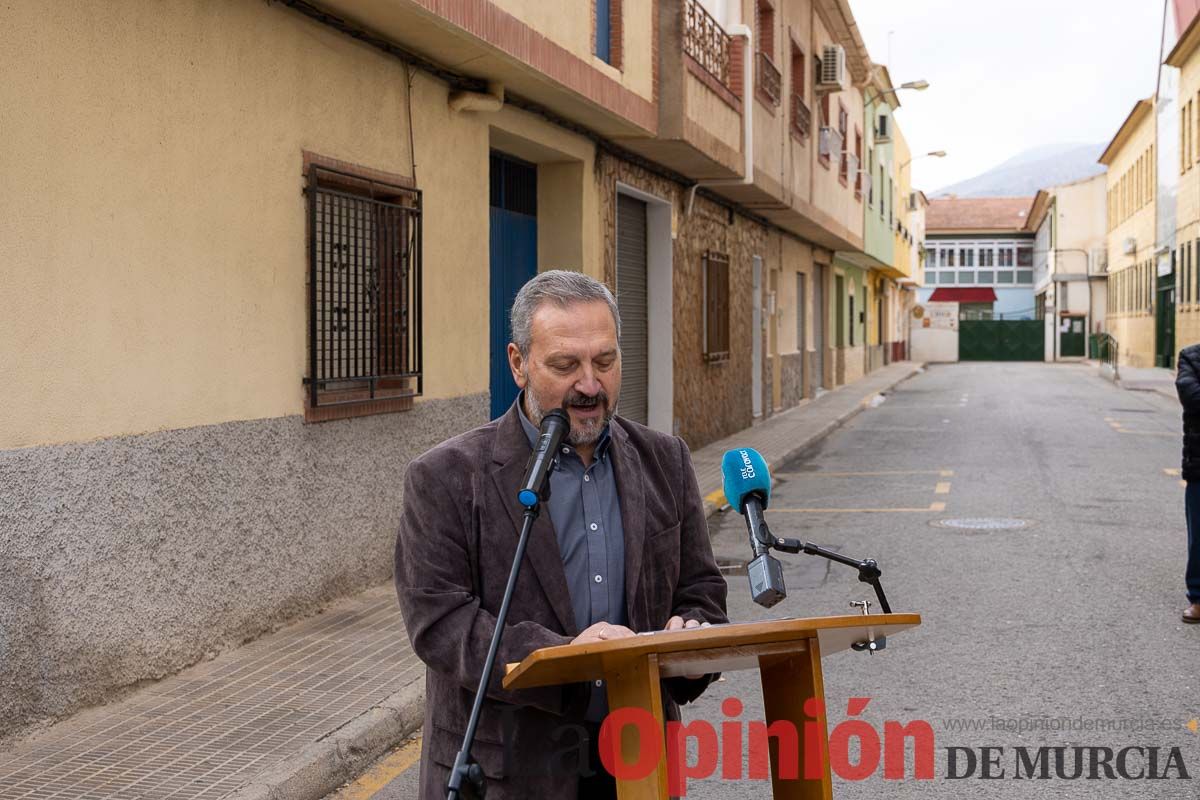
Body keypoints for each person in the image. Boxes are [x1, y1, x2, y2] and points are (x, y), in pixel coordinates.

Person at [394, 270, 728, 798]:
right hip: (507, 774)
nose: (590, 385)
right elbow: (440, 623)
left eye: (605, 361)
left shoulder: (667, 460)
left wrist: (692, 637)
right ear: (518, 363)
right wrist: (567, 653)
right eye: (565, 365)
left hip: (637, 764)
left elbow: (702, 592)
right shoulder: (446, 477)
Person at [1176, 344, 1200, 623]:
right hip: (1199, 463)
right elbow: (1192, 397)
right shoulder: (1191, 357)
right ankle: (1198, 596)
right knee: (1199, 534)